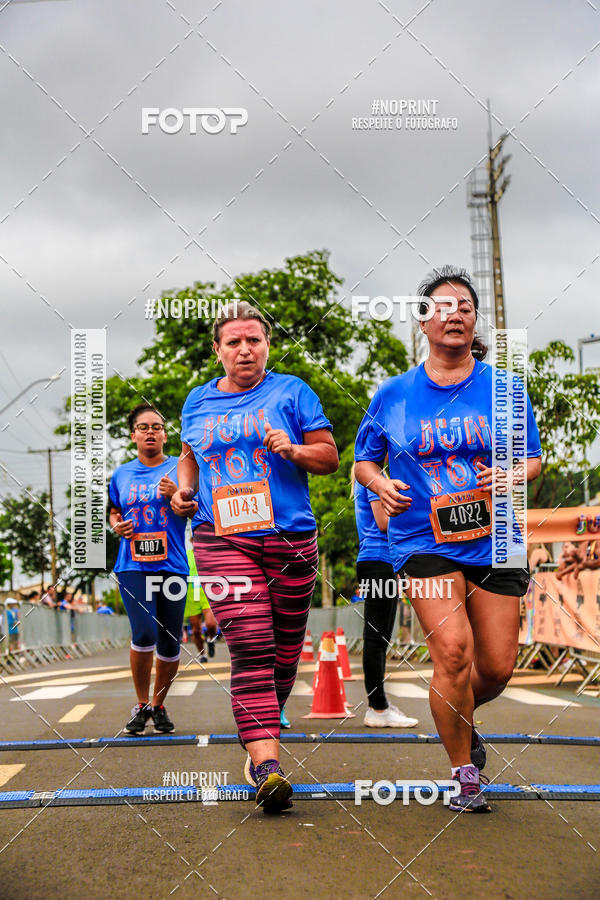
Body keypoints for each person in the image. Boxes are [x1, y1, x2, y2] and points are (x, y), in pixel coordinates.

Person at [355, 265, 542, 814]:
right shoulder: (394, 394)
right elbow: (364, 461)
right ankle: (463, 772)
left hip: (497, 537)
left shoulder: (505, 388)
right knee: (454, 652)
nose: (454, 314)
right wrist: (381, 485)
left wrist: (508, 475)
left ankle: (458, 714)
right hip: (423, 539)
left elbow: (533, 460)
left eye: (465, 306)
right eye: (442, 307)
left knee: (497, 668)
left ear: (476, 321)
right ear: (423, 322)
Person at [171, 300, 338, 813]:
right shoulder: (197, 401)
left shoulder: (293, 391)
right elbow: (189, 458)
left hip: (290, 537)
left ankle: (261, 728)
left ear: (267, 346)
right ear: (218, 350)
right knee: (251, 645)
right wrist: (183, 492)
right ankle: (267, 765)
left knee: (285, 655)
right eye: (234, 342)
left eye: (254, 340)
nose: (245, 349)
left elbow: (329, 457)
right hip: (221, 537)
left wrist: (294, 450)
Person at [109, 403, 189, 735]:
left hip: (172, 565)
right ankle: (141, 704)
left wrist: (177, 495)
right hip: (133, 565)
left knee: (170, 642)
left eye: (157, 427)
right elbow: (114, 510)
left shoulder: (181, 468)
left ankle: (158, 705)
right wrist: (117, 525)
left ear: (165, 435)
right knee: (144, 633)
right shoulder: (121, 475)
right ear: (133, 436)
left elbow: (196, 510)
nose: (150, 432)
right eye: (143, 427)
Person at [351, 463, 418, 729]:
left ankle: (380, 704)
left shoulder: (375, 477)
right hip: (378, 561)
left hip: (379, 561)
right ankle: (377, 707)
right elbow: (383, 522)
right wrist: (418, 520)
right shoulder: (374, 478)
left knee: (379, 638)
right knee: (376, 638)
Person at [184, 544, 218, 663]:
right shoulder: (186, 554)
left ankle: (211, 639)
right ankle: (202, 654)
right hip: (190, 595)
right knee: (196, 630)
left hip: (206, 593)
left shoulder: (210, 553)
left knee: (211, 624)